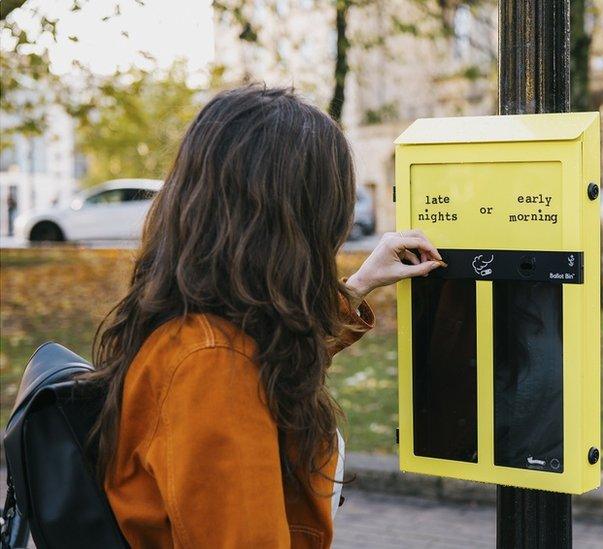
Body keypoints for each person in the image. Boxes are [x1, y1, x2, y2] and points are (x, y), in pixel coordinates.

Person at [88, 86, 445, 547]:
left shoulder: (196, 325)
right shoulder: (213, 367)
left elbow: (269, 352)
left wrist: (357, 285)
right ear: (297, 216)